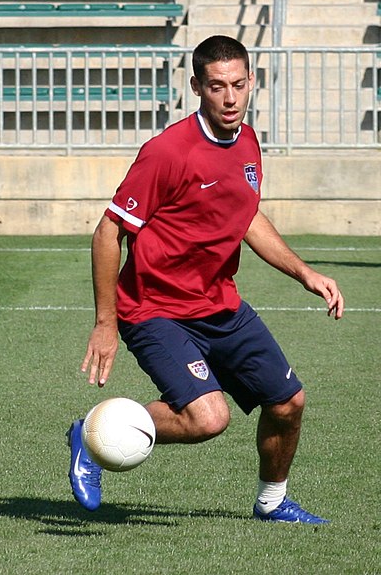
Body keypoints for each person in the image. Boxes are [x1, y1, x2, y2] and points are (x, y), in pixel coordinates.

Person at [67, 35, 344, 522]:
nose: (230, 98)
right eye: (217, 87)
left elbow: (248, 216)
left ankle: (272, 503)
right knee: (207, 418)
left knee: (288, 403)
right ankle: (90, 434)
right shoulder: (168, 151)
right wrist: (105, 322)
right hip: (155, 310)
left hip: (221, 305)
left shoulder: (249, 142)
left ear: (252, 82)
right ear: (197, 86)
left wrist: (303, 271)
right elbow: (108, 232)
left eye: (238, 84)